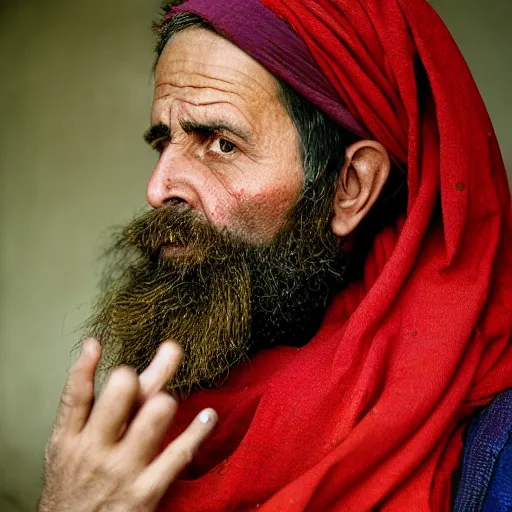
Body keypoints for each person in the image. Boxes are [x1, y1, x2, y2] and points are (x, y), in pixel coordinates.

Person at [38, 0, 512, 510]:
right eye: (163, 143)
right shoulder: (139, 427)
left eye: (220, 145)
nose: (158, 189)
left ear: (349, 188)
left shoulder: (495, 456)